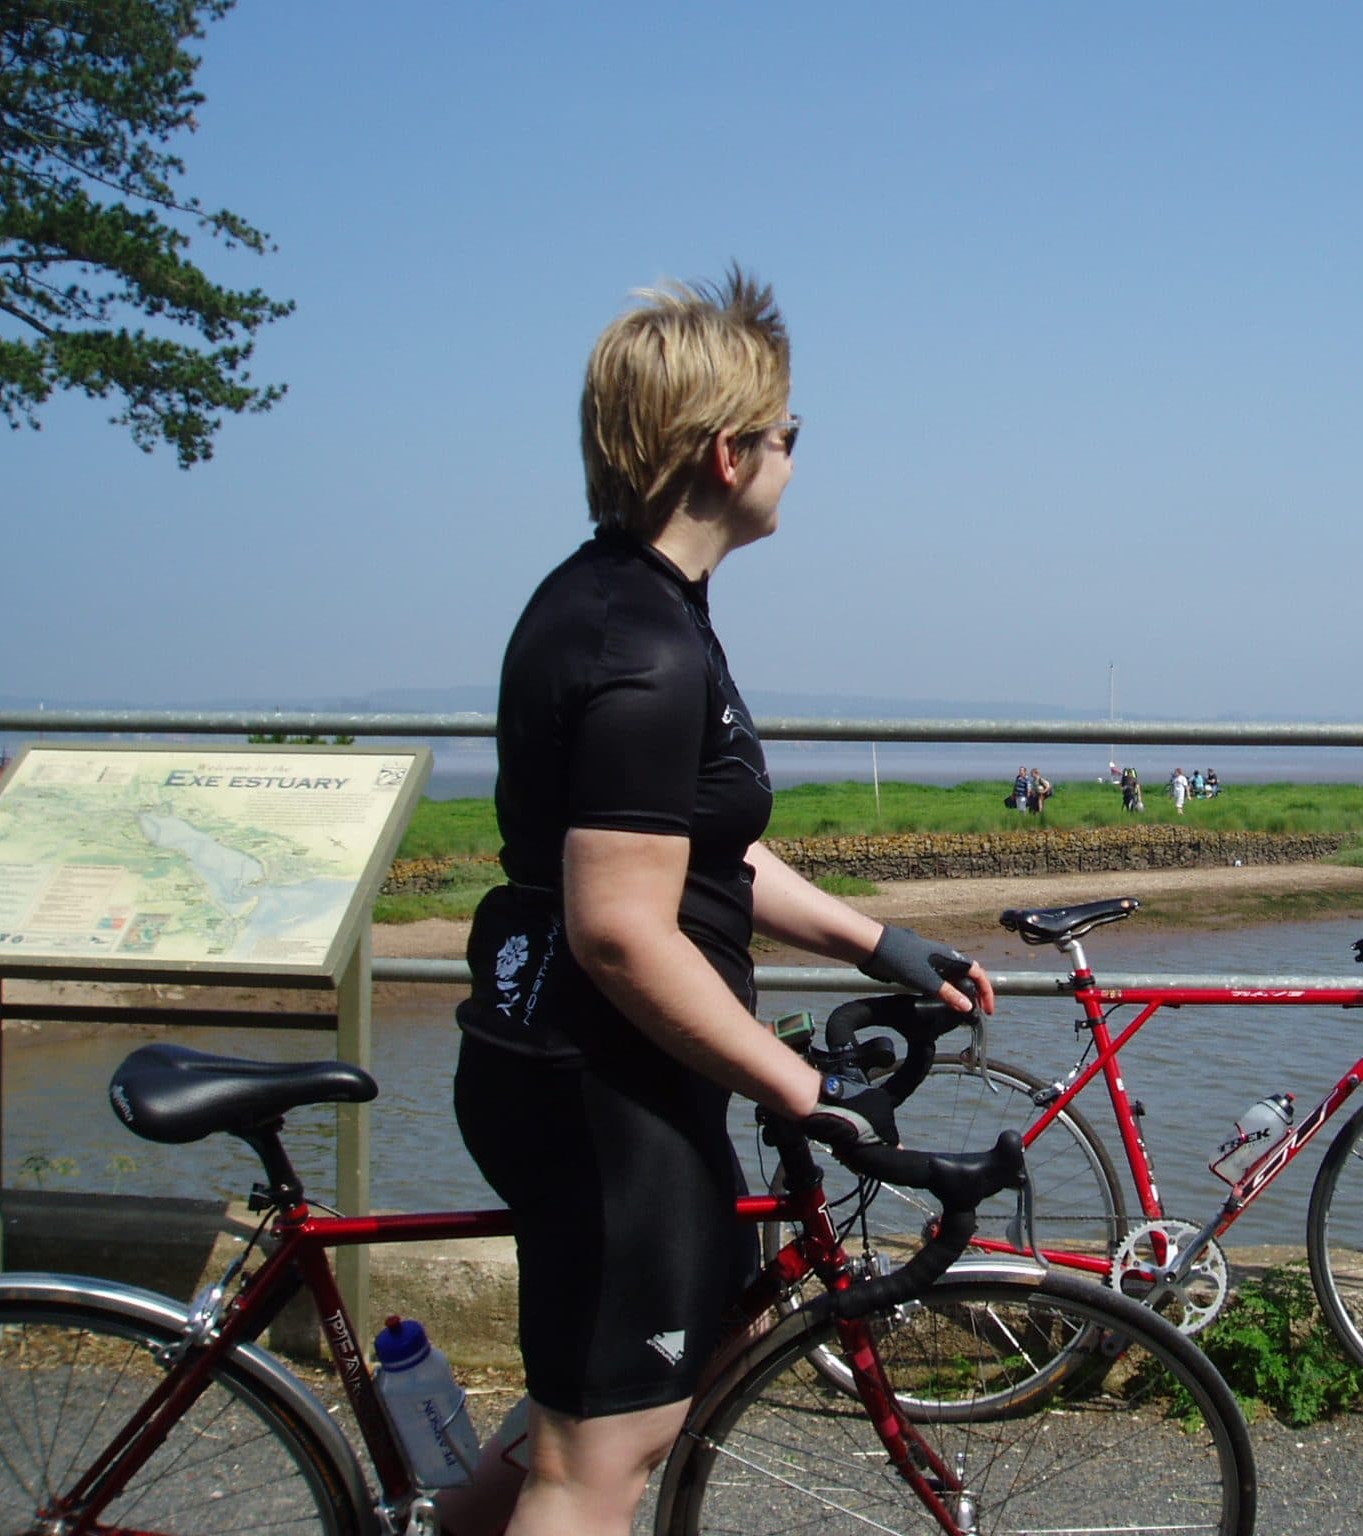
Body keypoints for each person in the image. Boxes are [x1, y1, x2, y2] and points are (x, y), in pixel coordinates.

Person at [443, 271, 996, 1536]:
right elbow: (623, 926)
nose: (799, 463)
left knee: (590, 1419)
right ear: (728, 451)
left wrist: (883, 943)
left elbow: (696, 860)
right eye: (791, 437)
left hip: (587, 1059)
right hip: (599, 1082)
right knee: (603, 1458)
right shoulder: (640, 647)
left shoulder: (631, 604)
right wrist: (808, 1094)